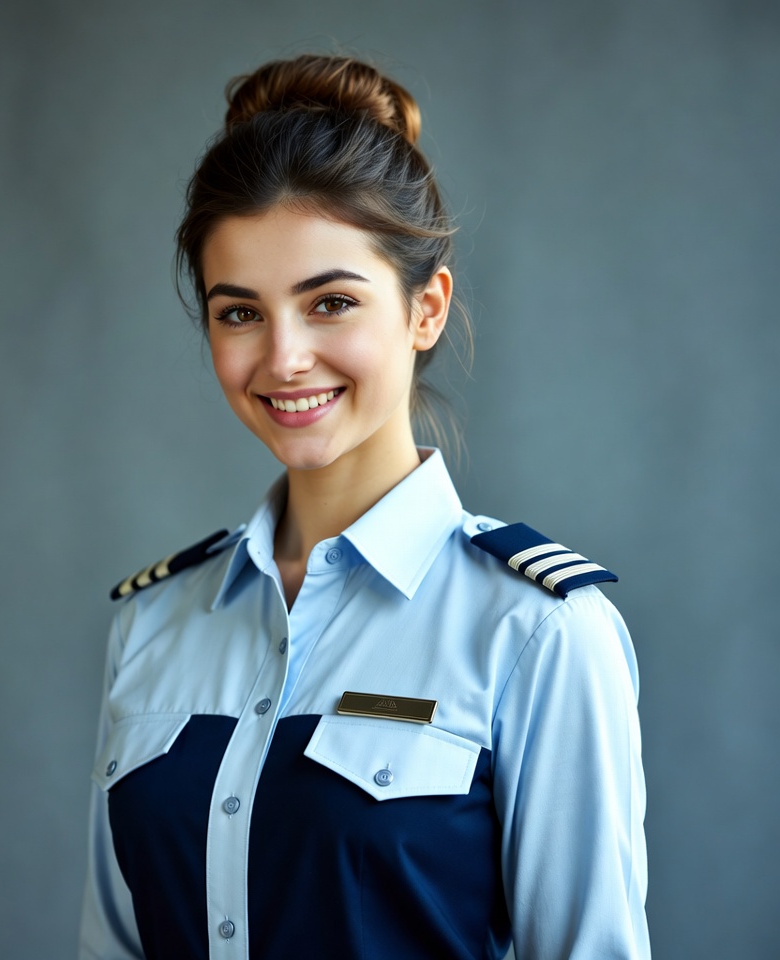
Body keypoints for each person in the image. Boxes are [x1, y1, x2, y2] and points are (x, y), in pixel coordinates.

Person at [79, 54, 649, 960]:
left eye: (331, 302)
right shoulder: (153, 625)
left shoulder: (539, 634)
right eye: (240, 313)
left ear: (427, 309)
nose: (284, 358)